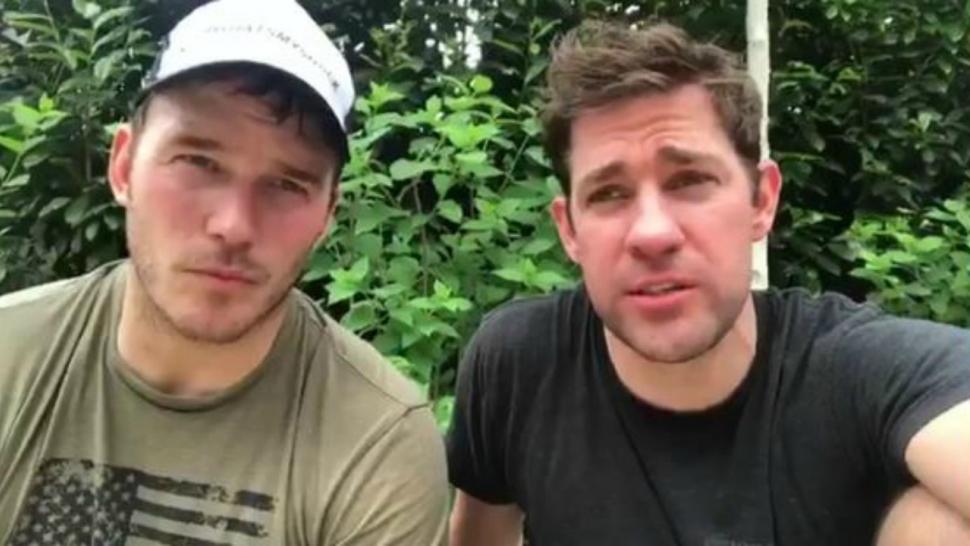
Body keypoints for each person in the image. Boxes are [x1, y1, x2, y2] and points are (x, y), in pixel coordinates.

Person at [447, 20, 970, 546]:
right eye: (609, 194)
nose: (652, 233)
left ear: (761, 201)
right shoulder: (519, 368)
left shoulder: (858, 373)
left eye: (690, 180)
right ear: (569, 230)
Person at [0, 1, 448, 544]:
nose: (234, 226)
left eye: (287, 185)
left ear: (328, 214)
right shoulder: (11, 357)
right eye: (198, 162)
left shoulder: (375, 444)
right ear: (124, 167)